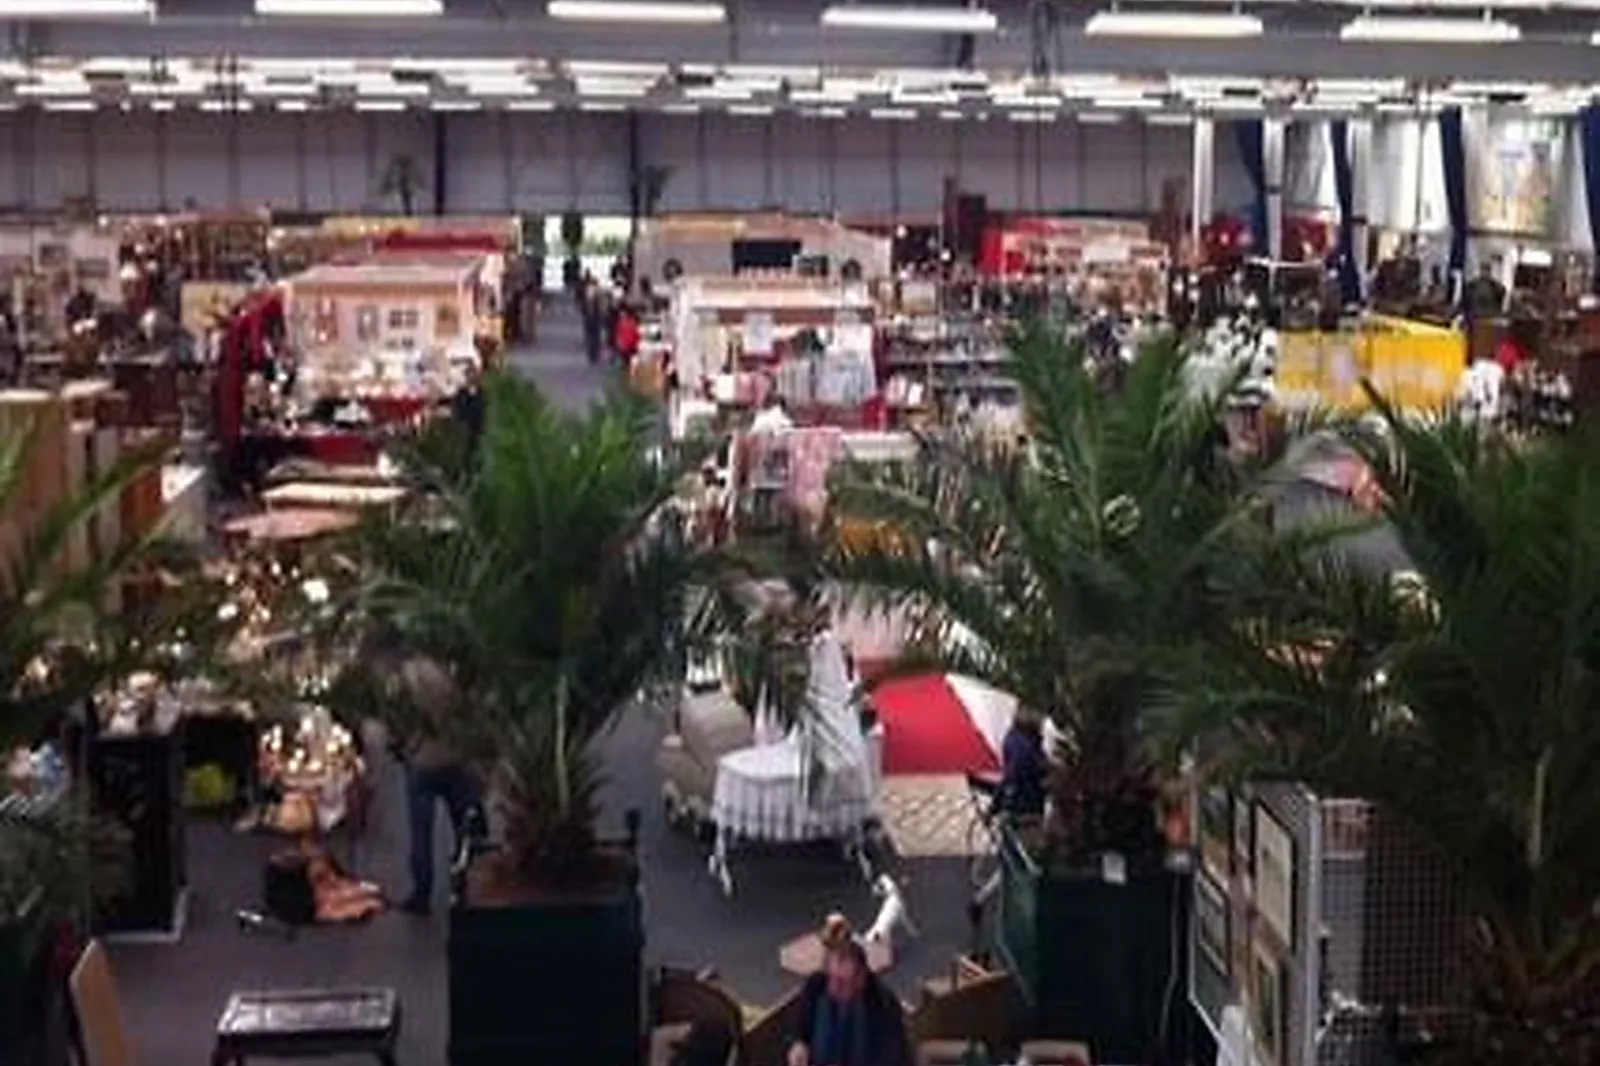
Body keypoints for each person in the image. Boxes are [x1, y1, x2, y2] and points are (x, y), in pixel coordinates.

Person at [396, 658, 483, 917]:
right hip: (456, 758)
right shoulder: (454, 670)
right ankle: (467, 886)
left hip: (422, 762)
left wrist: (406, 749)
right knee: (465, 828)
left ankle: (421, 894)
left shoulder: (407, 674)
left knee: (421, 831)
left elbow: (398, 719)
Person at [788, 916, 911, 1066]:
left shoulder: (883, 1005)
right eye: (833, 980)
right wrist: (799, 1044)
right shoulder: (815, 988)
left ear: (862, 976)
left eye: (843, 984)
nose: (835, 990)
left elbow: (895, 1059)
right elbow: (801, 1030)